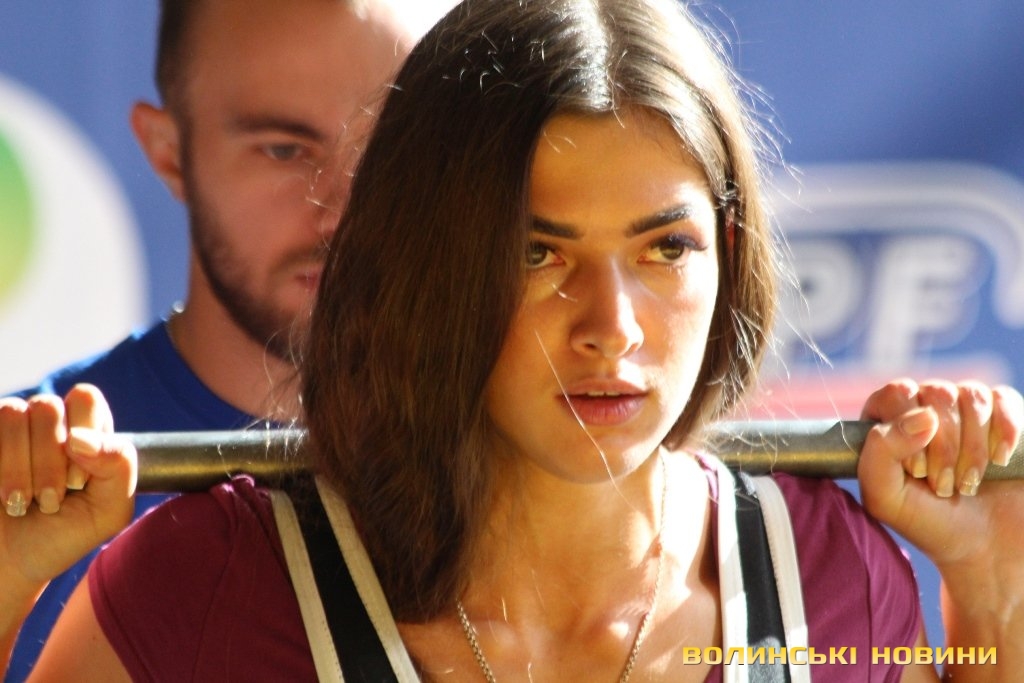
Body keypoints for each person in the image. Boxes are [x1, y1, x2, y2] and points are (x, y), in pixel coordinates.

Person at [4, 0, 1024, 680]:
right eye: (536, 253)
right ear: (423, 264)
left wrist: (991, 587)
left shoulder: (829, 575)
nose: (611, 327)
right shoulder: (211, 582)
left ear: (727, 251)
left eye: (665, 248)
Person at [3, 0, 425, 678]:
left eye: (388, 152)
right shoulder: (21, 478)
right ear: (169, 152)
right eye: (285, 149)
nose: (343, 209)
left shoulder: (520, 460)